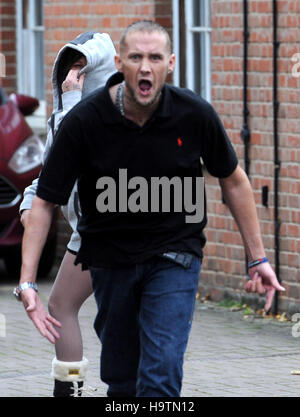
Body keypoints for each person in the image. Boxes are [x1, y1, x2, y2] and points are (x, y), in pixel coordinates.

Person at [16, 20, 285, 397]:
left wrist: (258, 258)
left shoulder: (194, 114)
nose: (146, 67)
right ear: (119, 63)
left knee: (160, 377)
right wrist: (27, 281)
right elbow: (45, 197)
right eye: (136, 57)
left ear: (170, 63)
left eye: (155, 57)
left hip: (175, 257)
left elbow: (234, 179)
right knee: (124, 383)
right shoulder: (84, 121)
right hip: (110, 260)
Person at [18, 31, 116, 397]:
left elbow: (88, 156)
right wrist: (30, 205)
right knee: (63, 304)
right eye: (70, 68)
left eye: (82, 69)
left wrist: (72, 101)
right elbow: (51, 173)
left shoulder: (114, 111)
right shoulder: (65, 115)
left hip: (111, 231)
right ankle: (70, 389)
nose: (72, 77)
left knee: (74, 307)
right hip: (88, 234)